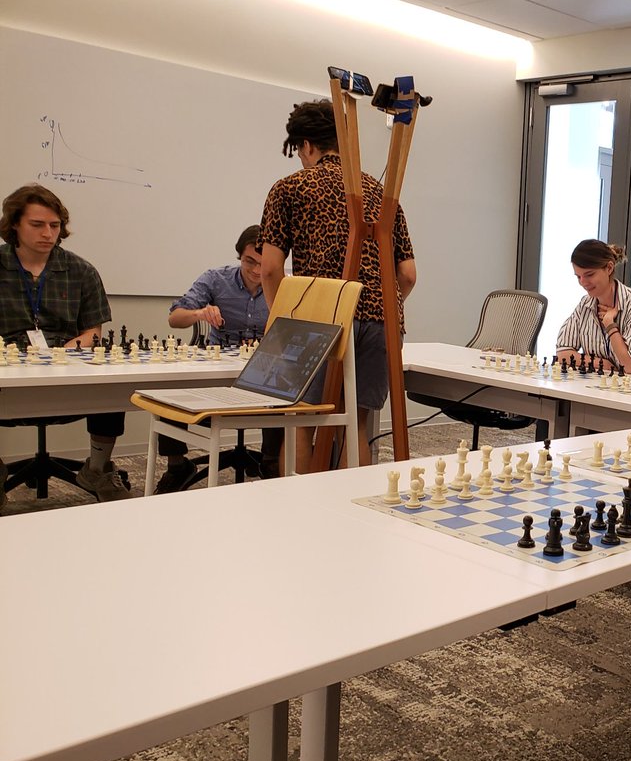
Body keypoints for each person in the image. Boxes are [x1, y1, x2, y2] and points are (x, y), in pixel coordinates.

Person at [258, 100, 416, 471]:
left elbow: (269, 270)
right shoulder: (379, 192)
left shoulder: (290, 188)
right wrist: (376, 305)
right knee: (353, 423)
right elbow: (407, 274)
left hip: (319, 318)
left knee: (301, 420)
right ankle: (350, 515)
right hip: (380, 320)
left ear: (307, 146)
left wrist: (283, 321)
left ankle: (297, 510)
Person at [0, 184, 132, 505]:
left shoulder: (81, 270)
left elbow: (93, 333)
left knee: (112, 382)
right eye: (37, 225)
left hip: (66, 369)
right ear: (14, 224)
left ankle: (97, 469)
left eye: (55, 225)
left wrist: (61, 355)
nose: (48, 233)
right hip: (7, 371)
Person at [153, 225, 279, 493]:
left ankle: (272, 463)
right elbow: (175, 318)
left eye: (263, 263)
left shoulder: (283, 285)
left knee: (285, 390)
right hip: (216, 371)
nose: (257, 270)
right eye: (249, 262)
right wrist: (200, 313)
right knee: (166, 389)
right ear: (238, 257)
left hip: (262, 373)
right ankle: (176, 465)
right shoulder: (215, 279)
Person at [555, 239, 631, 375]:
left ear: (609, 268)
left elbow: (629, 366)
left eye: (589, 275)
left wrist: (610, 325)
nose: (583, 283)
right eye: (578, 277)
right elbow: (562, 353)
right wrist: (602, 364)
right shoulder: (585, 304)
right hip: (599, 387)